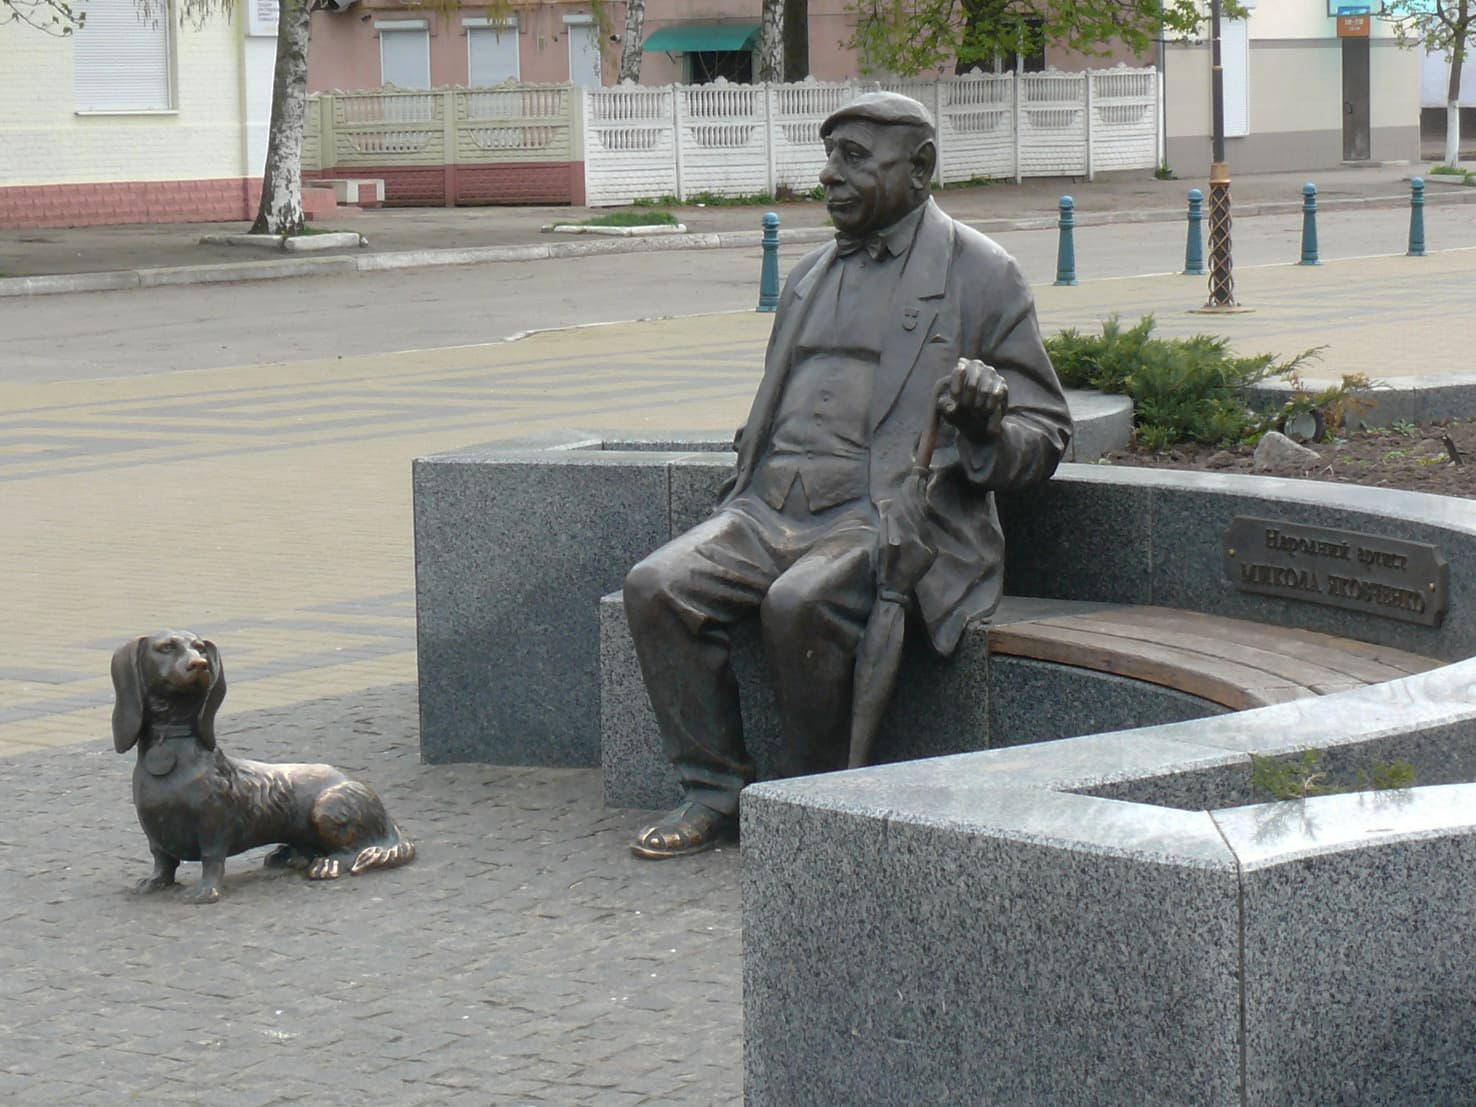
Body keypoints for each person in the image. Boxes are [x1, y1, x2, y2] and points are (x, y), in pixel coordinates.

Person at [623, 91, 1072, 859]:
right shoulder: (802, 277)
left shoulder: (982, 274)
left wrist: (984, 422)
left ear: (921, 167)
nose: (828, 175)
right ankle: (714, 787)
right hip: (766, 512)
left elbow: (1047, 432)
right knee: (654, 585)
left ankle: (811, 799)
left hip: (882, 517)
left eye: (854, 158)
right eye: (830, 156)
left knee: (800, 602)